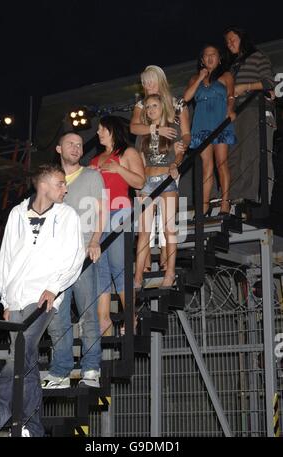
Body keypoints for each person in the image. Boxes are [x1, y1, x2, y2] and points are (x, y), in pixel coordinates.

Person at [0, 164, 84, 437]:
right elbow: (6, 258)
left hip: (44, 297)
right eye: (60, 183)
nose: (66, 188)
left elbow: (75, 257)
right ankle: (32, 427)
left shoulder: (68, 215)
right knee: (24, 360)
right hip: (16, 297)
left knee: (22, 347)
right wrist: (5, 300)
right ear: (44, 185)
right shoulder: (17, 213)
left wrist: (54, 287)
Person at [42, 132, 105, 390]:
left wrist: (94, 241)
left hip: (82, 256)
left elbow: (102, 211)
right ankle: (61, 371)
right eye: (71, 144)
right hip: (55, 260)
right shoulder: (51, 181)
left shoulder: (91, 175)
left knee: (88, 313)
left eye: (80, 144)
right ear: (58, 148)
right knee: (57, 318)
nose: (77, 148)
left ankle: (91, 368)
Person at [130, 65, 191, 271]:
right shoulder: (141, 104)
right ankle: (144, 266)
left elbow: (186, 132)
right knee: (144, 224)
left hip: (170, 161)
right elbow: (133, 127)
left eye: (151, 81)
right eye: (145, 83)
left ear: (161, 81)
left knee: (167, 222)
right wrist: (156, 128)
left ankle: (166, 263)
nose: (148, 86)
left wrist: (183, 146)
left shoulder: (177, 103)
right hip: (146, 162)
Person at [90, 115, 145, 335]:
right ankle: (103, 319)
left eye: (102, 129)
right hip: (96, 214)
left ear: (112, 130)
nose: (98, 133)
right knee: (99, 267)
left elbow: (140, 182)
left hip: (120, 210)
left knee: (118, 264)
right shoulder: (95, 160)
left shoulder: (127, 152)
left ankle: (130, 316)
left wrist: (119, 169)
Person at [134, 93, 184, 289]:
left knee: (169, 229)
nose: (151, 110)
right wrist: (139, 185)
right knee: (143, 231)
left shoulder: (173, 128)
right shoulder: (143, 133)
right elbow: (140, 159)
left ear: (162, 107)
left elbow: (180, 152)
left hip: (166, 181)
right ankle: (137, 277)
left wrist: (175, 164)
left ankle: (169, 273)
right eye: (148, 107)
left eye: (154, 106)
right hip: (147, 182)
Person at [224, 27, 276, 202]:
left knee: (250, 154)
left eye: (233, 39)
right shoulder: (231, 66)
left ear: (243, 39)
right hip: (236, 113)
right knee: (233, 155)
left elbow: (268, 82)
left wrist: (245, 87)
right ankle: (234, 195)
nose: (230, 44)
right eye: (227, 42)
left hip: (254, 108)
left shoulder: (257, 57)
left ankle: (249, 197)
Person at [184, 44, 236, 216]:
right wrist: (200, 78)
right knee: (207, 166)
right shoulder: (194, 79)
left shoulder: (226, 75)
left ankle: (225, 203)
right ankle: (204, 205)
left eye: (213, 54)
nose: (210, 58)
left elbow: (231, 96)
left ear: (219, 58)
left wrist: (230, 110)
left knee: (221, 163)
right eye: (206, 55)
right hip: (201, 126)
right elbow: (186, 98)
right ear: (202, 60)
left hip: (220, 123)